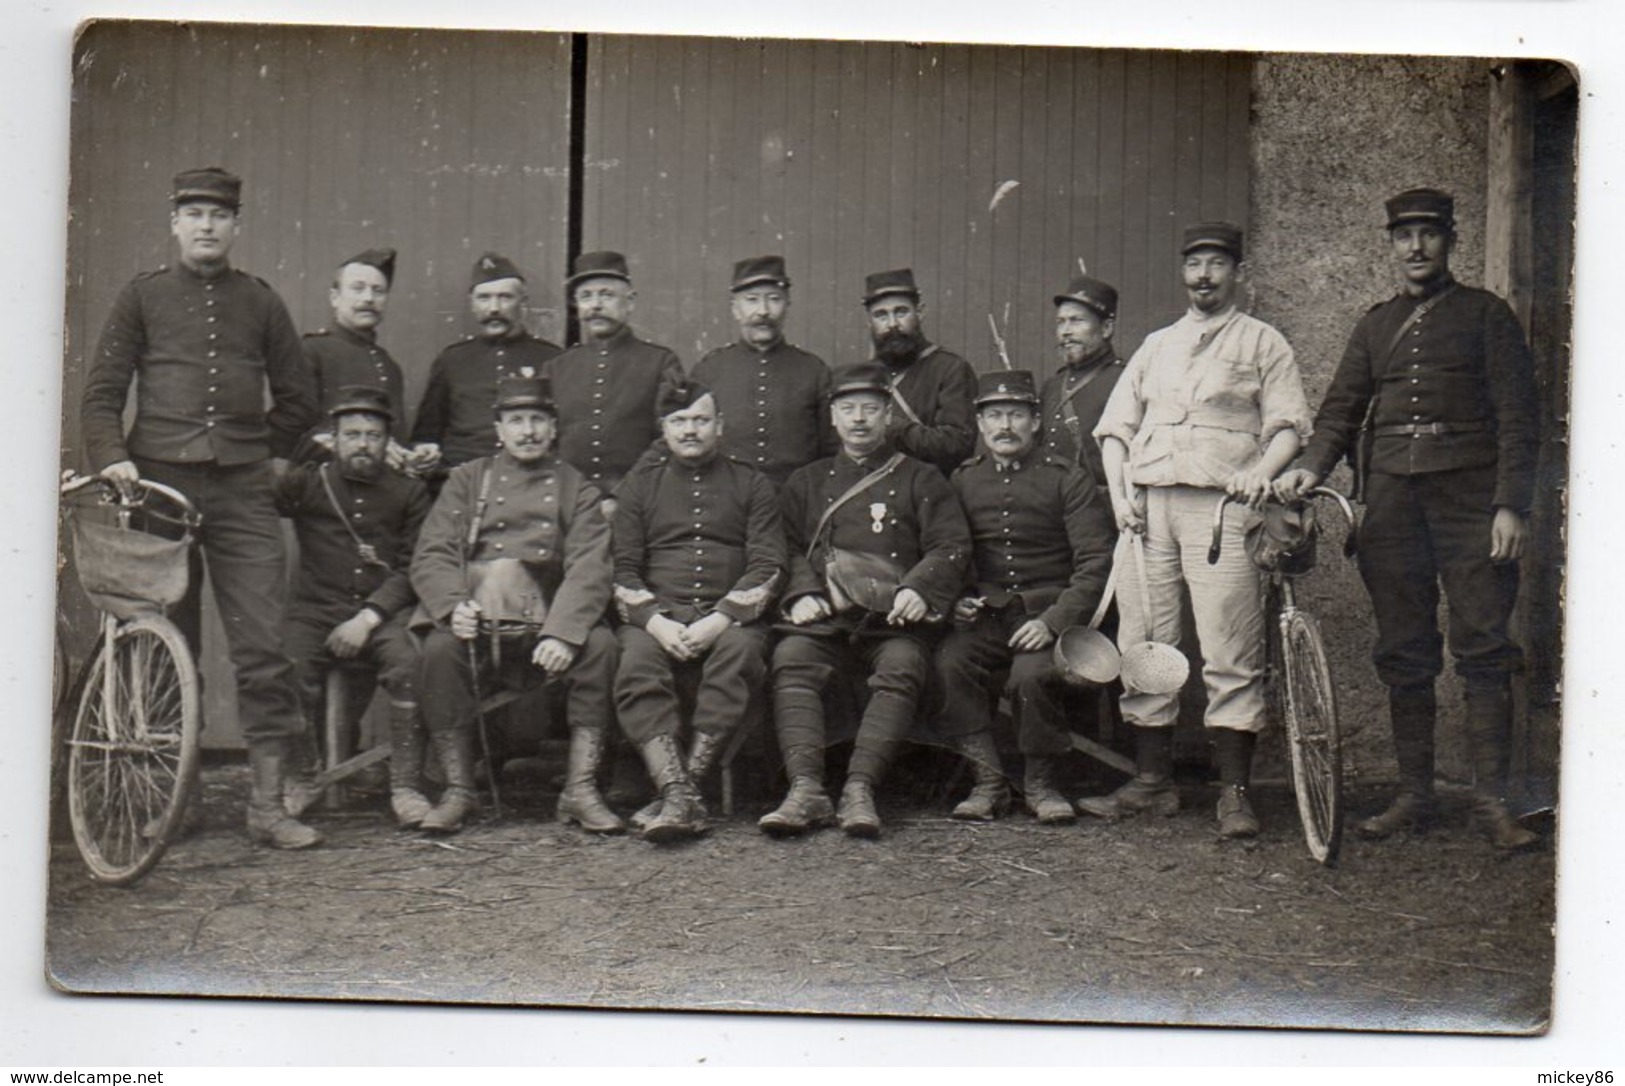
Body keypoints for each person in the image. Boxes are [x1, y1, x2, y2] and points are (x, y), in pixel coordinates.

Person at [1275, 188, 1540, 850]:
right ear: (1390, 245)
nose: (1415, 247)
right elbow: (1340, 409)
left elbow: (1516, 414)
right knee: (1403, 648)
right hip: (1391, 504)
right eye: (1403, 236)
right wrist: (1310, 467)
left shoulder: (1485, 315)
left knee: (1481, 643)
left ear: (1448, 241)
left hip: (1470, 503)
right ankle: (1415, 796)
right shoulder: (1374, 325)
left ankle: (1493, 804)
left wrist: (1509, 502)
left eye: (1427, 234)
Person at [80, 166, 322, 849]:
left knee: (263, 647)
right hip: (159, 487)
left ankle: (268, 806)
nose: (207, 225)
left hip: (244, 494)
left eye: (219, 213)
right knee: (163, 645)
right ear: (175, 222)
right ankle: (171, 802)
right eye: (194, 212)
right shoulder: (143, 297)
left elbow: (300, 400)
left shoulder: (261, 302)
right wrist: (113, 459)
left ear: (236, 225)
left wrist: (252, 449)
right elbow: (101, 394)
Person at [1079, 222, 1312, 838]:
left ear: (1238, 273)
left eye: (1216, 264)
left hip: (1221, 510)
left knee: (1228, 643)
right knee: (1146, 639)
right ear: (1182, 273)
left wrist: (1261, 474)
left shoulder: (1264, 343)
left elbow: (1288, 427)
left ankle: (1234, 793)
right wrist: (1122, 497)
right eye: (1194, 265)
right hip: (1148, 509)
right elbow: (1115, 432)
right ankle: (1153, 782)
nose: (1204, 276)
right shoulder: (1157, 345)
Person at [762, 361, 971, 839]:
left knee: (901, 666)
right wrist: (802, 593)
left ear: (888, 418)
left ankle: (860, 789)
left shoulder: (921, 478)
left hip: (892, 621)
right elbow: (785, 545)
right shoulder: (807, 481)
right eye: (849, 409)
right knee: (791, 656)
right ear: (833, 418)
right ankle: (806, 789)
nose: (859, 420)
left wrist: (919, 587)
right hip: (825, 616)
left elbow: (951, 544)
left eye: (871, 410)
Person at [409, 375, 622, 835]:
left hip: (548, 613)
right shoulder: (467, 480)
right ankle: (459, 790)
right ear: (499, 429)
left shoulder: (575, 487)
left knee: (601, 647)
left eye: (538, 421)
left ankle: (580, 789)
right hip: (479, 614)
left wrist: (565, 632)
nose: (528, 431)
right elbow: (434, 551)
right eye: (517, 421)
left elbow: (591, 563)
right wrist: (451, 606)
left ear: (553, 428)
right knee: (437, 650)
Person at [936, 370, 1116, 823]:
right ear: (979, 424)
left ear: (1035, 422)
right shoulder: (963, 481)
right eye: (994, 415)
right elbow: (950, 550)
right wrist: (959, 597)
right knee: (950, 663)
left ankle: (1040, 784)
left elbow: (1096, 563)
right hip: (990, 617)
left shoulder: (1065, 479)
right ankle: (989, 783)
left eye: (1016, 414)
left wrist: (1053, 622)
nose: (1005, 426)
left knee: (1030, 678)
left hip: (1051, 615)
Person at [611, 381, 786, 842]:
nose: (690, 430)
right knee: (635, 662)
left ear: (720, 426)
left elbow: (768, 562)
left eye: (701, 420)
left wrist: (722, 617)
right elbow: (624, 566)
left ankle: (678, 797)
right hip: (658, 615)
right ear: (664, 428)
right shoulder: (640, 484)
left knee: (739, 655)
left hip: (729, 617)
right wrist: (653, 620)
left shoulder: (751, 482)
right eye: (679, 421)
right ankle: (679, 792)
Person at [274, 387, 433, 828]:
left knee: (408, 664)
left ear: (388, 442)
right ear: (335, 438)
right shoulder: (310, 482)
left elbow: (411, 568)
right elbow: (268, 497)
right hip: (314, 609)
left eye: (374, 435)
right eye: (352, 434)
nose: (363, 444)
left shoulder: (409, 492)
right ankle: (301, 776)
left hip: (379, 615)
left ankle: (405, 785)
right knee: (287, 667)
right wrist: (306, 446)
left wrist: (368, 619)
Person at [542, 250, 684, 501]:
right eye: (586, 296)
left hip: (641, 501)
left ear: (630, 302)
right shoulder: (556, 368)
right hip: (567, 501)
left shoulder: (660, 362)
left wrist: (624, 495)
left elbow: (670, 437)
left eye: (606, 295)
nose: (596, 305)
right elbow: (546, 442)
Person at [409, 253, 562, 477]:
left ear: (523, 302)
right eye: (484, 298)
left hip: (530, 479)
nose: (494, 308)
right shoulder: (451, 360)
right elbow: (427, 434)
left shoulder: (551, 358)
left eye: (505, 297)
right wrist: (424, 452)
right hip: (462, 478)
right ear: (472, 303)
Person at [690, 255, 834, 486]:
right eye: (752, 300)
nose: (763, 311)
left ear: (787, 305)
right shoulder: (709, 370)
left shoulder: (813, 370)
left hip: (796, 501)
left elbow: (831, 448)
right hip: (727, 501)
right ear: (735, 309)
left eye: (774, 299)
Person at [298, 247, 412, 468]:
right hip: (325, 482)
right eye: (358, 289)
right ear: (335, 297)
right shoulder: (311, 351)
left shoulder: (389, 365)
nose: (369, 298)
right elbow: (298, 434)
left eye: (378, 291)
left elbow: (396, 436)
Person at [861, 268, 978, 475]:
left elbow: (958, 445)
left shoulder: (950, 368)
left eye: (901, 312)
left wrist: (892, 427)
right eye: (881, 315)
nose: (892, 324)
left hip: (929, 494)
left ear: (920, 312)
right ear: (869, 322)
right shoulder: (864, 375)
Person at [1041, 274, 1127, 492]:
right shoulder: (1053, 385)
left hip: (1104, 508)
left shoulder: (1126, 381)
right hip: (1053, 507)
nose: (1065, 331)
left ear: (1107, 328)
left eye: (1077, 321)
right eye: (1060, 322)